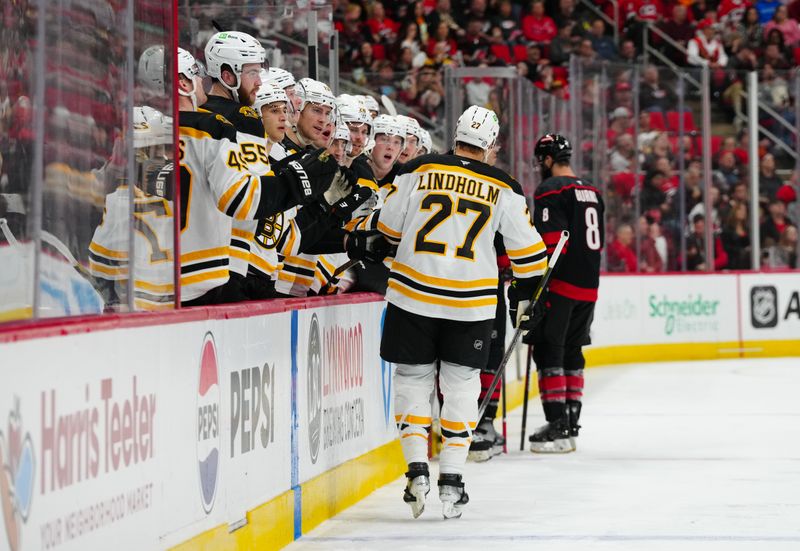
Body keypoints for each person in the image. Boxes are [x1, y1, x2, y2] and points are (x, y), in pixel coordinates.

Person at [378, 105, 546, 519]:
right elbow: (531, 256)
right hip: (470, 304)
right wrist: (528, 295)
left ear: (455, 137)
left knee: (412, 378)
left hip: (412, 295)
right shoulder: (504, 185)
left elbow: (386, 229)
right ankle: (452, 478)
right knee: (461, 386)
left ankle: (418, 469)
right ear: (491, 147)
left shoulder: (417, 168)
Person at [176, 48, 336, 305]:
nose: (284, 116)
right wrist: (301, 183)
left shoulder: (143, 128)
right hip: (216, 272)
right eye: (274, 110)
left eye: (285, 108)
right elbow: (248, 201)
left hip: (164, 272)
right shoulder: (230, 121)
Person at [523, 133, 605, 453]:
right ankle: (571, 422)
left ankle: (556, 424)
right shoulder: (593, 191)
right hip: (589, 285)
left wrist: (537, 285)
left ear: (546, 160)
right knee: (574, 349)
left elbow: (553, 241)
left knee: (548, 350)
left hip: (561, 284)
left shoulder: (550, 189)